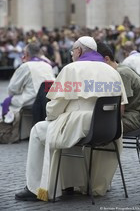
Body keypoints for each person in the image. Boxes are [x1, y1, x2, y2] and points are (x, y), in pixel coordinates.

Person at [15, 36, 128, 201]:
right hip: (110, 129)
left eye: (72, 51)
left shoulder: (72, 69)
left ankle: (35, 187)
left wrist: (51, 116)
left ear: (79, 51)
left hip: (80, 126)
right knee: (68, 131)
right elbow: (121, 106)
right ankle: (74, 183)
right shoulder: (112, 71)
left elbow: (56, 105)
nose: (72, 55)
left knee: (39, 130)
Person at [0, 42, 55, 143]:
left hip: (31, 99)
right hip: (48, 98)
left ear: (27, 54)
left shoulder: (26, 66)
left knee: (8, 101)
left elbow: (12, 89)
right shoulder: (47, 65)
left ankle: (10, 131)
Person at [97, 42, 140, 134]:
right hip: (133, 114)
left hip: (134, 118)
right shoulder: (121, 69)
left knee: (96, 126)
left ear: (106, 59)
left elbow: (120, 107)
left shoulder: (121, 74)